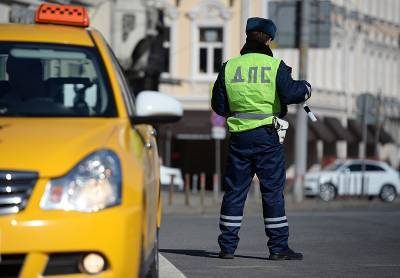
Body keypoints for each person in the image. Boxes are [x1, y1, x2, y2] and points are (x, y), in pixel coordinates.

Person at [211, 17, 312, 261]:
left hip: (239, 137)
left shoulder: (229, 66)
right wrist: (306, 88)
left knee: (235, 192)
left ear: (247, 36)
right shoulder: (275, 66)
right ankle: (278, 248)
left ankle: (227, 246)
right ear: (268, 39)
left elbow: (218, 105)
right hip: (267, 136)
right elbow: (291, 93)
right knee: (272, 192)